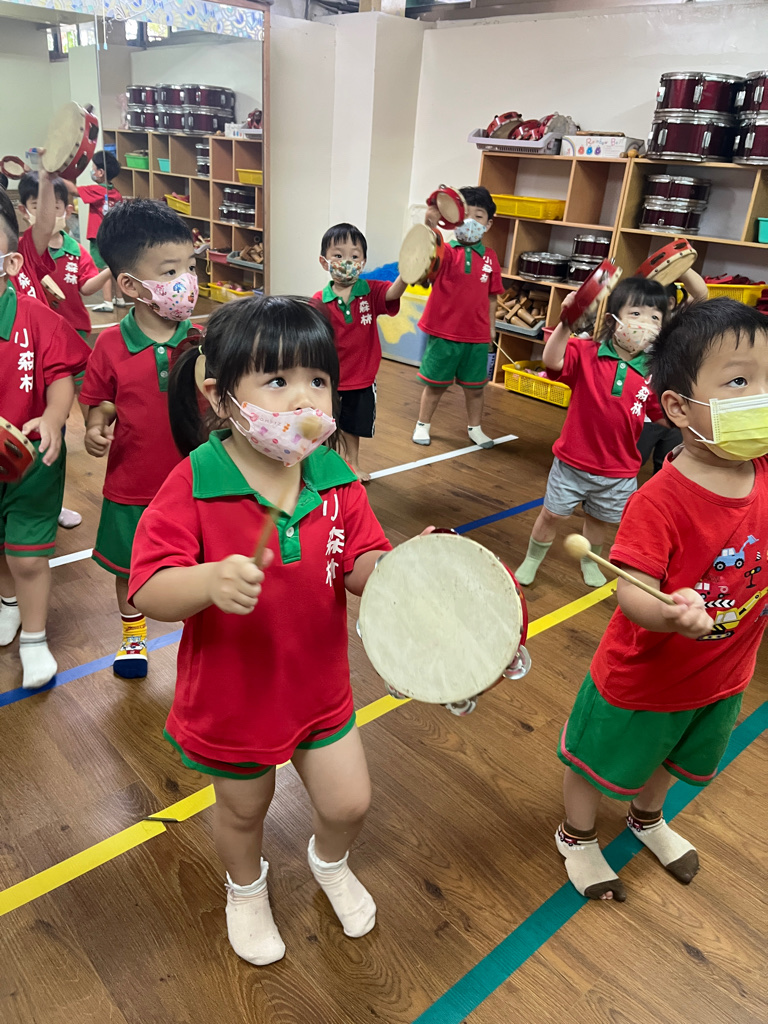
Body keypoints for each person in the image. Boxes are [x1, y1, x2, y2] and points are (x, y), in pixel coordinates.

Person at [129, 295, 400, 967]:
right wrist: (207, 581)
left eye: (318, 380)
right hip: (235, 697)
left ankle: (329, 862)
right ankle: (245, 888)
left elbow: (360, 562)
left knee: (350, 803)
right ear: (220, 397)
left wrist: (403, 569)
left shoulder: (336, 477)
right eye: (277, 381)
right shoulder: (194, 481)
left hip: (319, 688)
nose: (304, 399)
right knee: (244, 811)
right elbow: (149, 589)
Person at [556, 298, 768, 902]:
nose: (761, 398)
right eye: (739, 382)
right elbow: (630, 591)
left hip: (724, 672)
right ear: (677, 407)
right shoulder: (659, 500)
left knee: (672, 758)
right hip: (644, 676)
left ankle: (647, 818)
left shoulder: (763, 469)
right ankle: (576, 835)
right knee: (594, 761)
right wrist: (669, 612)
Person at [79, 199, 199, 679]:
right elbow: (100, 401)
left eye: (190, 267)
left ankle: (201, 634)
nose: (186, 280)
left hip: (195, 481)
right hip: (132, 483)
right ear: (129, 285)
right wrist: (96, 425)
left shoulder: (199, 341)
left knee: (196, 562)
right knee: (129, 568)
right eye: (171, 271)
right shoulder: (110, 344)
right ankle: (133, 637)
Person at [516, 277, 669, 588]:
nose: (645, 324)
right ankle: (532, 558)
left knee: (599, 521)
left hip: (619, 471)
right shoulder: (586, 352)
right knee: (552, 515)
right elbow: (551, 360)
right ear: (613, 319)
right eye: (636, 314)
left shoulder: (653, 373)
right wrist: (566, 322)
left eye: (655, 317)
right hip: (572, 462)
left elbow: (662, 415)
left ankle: (590, 561)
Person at [0, 193, 91, 687]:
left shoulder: (34, 316)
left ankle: (35, 640)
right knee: (2, 547)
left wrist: (55, 418)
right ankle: (8, 603)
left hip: (33, 458)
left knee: (27, 555)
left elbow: (60, 376)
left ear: (10, 263)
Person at [412, 186, 504, 450]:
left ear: (489, 224)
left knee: (476, 388)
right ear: (454, 218)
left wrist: (492, 329)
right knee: (435, 385)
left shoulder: (490, 258)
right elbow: (426, 252)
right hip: (444, 332)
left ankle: (476, 428)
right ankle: (422, 424)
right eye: (465, 215)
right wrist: (430, 224)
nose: (471, 222)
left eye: (479, 216)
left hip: (476, 335)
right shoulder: (446, 251)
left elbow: (492, 297)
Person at [313, 223, 406, 481]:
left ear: (363, 262)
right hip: (329, 378)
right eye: (338, 255)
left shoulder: (371, 291)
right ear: (324, 261)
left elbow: (393, 292)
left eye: (354, 256)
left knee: (353, 426)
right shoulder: (319, 301)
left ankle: (353, 464)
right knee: (325, 425)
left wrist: (407, 274)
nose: (347, 261)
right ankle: (323, 465)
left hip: (361, 377)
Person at [637, 269, 708, 475]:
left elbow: (701, 294)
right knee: (633, 460)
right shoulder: (635, 326)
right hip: (644, 413)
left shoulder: (678, 321)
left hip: (676, 411)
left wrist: (680, 265)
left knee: (666, 466)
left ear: (669, 303)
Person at [65, 151, 124, 313]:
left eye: (93, 168)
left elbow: (73, 190)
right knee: (113, 267)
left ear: (100, 172)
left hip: (99, 236)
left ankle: (107, 301)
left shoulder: (98, 190)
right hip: (113, 236)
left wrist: (56, 178)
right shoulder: (116, 193)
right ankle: (119, 298)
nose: (92, 171)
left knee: (104, 269)